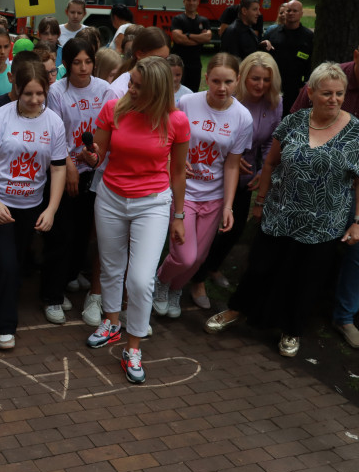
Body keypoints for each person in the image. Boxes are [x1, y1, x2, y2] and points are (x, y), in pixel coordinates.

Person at [206, 62, 359, 357]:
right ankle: (237, 310)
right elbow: (270, 163)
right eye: (326, 93)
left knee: (306, 277)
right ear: (311, 93)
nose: (333, 99)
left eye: (339, 93)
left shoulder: (356, 132)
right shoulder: (294, 121)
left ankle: (292, 330)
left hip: (324, 222)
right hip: (280, 213)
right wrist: (260, 201)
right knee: (260, 266)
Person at [289, 32, 359, 349]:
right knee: (301, 246)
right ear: (356, 55)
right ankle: (291, 306)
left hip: (356, 187)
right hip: (311, 185)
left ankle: (344, 316)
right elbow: (294, 124)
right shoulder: (329, 80)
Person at [83, 56, 189, 384]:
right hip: (111, 196)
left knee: (141, 279)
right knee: (112, 266)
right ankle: (112, 323)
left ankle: (133, 345)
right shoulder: (114, 109)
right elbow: (97, 153)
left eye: (138, 86)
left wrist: (179, 216)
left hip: (153, 203)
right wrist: (90, 155)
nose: (130, 89)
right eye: (130, 82)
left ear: (157, 90)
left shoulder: (176, 121)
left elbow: (178, 172)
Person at [0, 63, 67, 350]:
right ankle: (5, 325)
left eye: (41, 93)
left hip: (30, 205)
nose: (35, 99)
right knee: (7, 264)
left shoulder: (54, 122)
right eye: (28, 93)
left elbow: (59, 168)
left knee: (14, 261)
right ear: (16, 88)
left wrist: (51, 209)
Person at [152, 53, 251, 317]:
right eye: (216, 81)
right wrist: (174, 158)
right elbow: (168, 136)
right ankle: (161, 282)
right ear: (206, 78)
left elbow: (232, 164)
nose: (222, 88)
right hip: (183, 191)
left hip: (214, 197)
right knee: (184, 255)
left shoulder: (243, 117)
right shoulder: (187, 102)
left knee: (197, 258)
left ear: (238, 80)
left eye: (228, 81)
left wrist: (228, 205)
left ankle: (175, 289)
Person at [189, 52, 283, 301]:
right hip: (213, 170)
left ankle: (211, 267)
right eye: (255, 78)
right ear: (243, 77)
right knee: (204, 232)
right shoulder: (228, 95)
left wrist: (264, 170)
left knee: (235, 227)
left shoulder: (275, 102)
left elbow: (271, 143)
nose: (260, 85)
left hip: (246, 176)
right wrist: (232, 155)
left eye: (266, 79)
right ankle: (196, 279)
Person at [43, 38, 109, 327]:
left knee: (84, 231)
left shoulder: (104, 89)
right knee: (62, 233)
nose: (83, 68)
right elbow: (55, 133)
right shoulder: (56, 92)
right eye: (77, 62)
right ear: (67, 63)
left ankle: (70, 276)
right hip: (63, 170)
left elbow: (105, 131)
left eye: (88, 61)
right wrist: (69, 164)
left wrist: (96, 155)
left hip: (93, 171)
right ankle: (51, 295)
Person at [267, 0, 313, 114]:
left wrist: (304, 84)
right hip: (274, 85)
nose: (291, 13)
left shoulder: (309, 37)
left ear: (301, 14)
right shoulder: (272, 34)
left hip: (296, 87)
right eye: (288, 10)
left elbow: (312, 62)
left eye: (295, 11)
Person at [104, 26, 170, 102]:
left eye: (165, 60)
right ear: (139, 54)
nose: (163, 65)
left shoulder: (163, 85)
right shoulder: (118, 91)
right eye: (157, 59)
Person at [169, 0, 212, 91]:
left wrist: (188, 35)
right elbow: (178, 39)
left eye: (194, 0)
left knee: (193, 92)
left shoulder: (204, 21)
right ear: (184, 2)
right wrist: (199, 39)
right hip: (178, 64)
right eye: (188, 0)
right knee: (174, 91)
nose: (191, 3)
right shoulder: (178, 19)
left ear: (198, 2)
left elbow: (208, 38)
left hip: (195, 65)